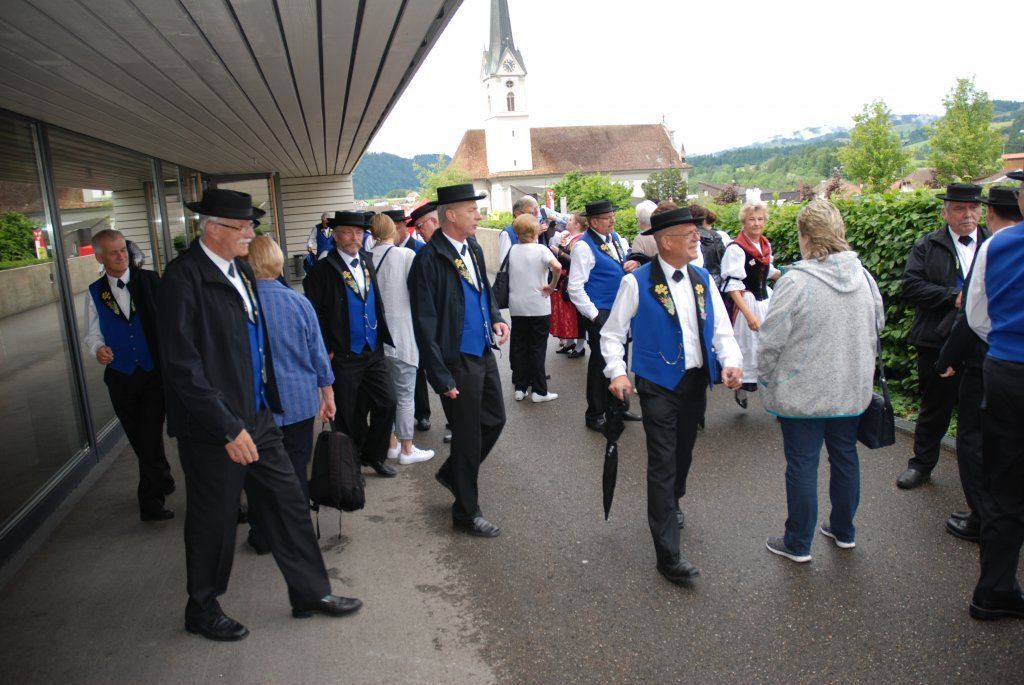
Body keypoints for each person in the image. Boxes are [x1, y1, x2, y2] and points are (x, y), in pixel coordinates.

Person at [158, 189, 359, 642]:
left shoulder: (242, 271)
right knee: (214, 519)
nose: (251, 233)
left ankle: (310, 592)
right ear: (213, 228)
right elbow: (181, 365)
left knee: (289, 501)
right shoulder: (183, 278)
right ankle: (202, 608)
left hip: (258, 414)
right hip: (214, 427)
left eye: (252, 225)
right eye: (243, 226)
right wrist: (227, 427)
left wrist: (265, 401)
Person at [602, 207, 743, 585]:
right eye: (688, 233)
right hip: (657, 384)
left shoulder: (703, 279)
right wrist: (617, 371)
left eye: (696, 232)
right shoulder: (636, 283)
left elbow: (721, 329)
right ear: (665, 242)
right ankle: (668, 556)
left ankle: (673, 498)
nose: (697, 238)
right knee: (662, 462)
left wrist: (731, 361)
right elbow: (612, 334)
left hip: (695, 382)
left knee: (683, 453)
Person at [757, 200, 884, 563]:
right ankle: (843, 530)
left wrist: (766, 380)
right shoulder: (864, 277)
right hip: (850, 390)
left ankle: (798, 543)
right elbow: (878, 325)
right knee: (845, 458)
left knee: (802, 465)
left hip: (802, 394)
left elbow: (770, 341)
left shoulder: (795, 282)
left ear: (805, 236)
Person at [408, 183, 509, 537]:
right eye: (472, 210)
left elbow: (483, 289)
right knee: (466, 436)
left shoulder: (474, 247)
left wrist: (495, 316)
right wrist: (440, 376)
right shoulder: (428, 260)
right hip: (455, 359)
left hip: (481, 349)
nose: (478, 216)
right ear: (450, 215)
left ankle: (453, 473)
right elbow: (424, 324)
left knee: (494, 419)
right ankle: (466, 511)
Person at [936, 185, 1021, 542]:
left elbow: (975, 317)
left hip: (998, 363)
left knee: (978, 439)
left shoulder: (994, 247)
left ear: (989, 213)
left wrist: (949, 357)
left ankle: (983, 517)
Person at [243, 235, 336, 553]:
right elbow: (318, 356)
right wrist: (328, 395)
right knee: (295, 467)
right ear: (278, 262)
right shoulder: (299, 303)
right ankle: (297, 532)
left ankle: (263, 534)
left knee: (258, 472)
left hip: (256, 407)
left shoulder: (238, 307)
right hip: (298, 402)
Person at [897, 183, 989, 490]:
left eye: (974, 208)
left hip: (980, 341)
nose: (968, 215)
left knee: (980, 412)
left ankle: (978, 478)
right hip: (937, 339)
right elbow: (911, 286)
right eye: (960, 209)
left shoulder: (993, 243)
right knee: (935, 407)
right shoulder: (927, 245)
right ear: (944, 212)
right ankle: (921, 465)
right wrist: (953, 296)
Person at [964, 168, 1024, 621]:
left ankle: (994, 589)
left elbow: (977, 316)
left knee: (1005, 483)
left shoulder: (996, 245)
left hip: (1006, 369)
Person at [83, 229, 174, 522]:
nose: (121, 256)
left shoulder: (149, 280)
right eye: (113, 252)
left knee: (149, 436)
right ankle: (162, 476)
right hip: (121, 378)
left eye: (123, 250)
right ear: (100, 257)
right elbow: (92, 333)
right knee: (139, 439)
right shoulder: (95, 292)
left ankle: (150, 502)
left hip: (152, 375)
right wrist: (98, 349)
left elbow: (169, 321)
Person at [305, 210, 399, 478]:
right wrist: (325, 348)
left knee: (387, 402)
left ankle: (373, 455)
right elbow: (315, 314)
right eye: (347, 232)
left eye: (358, 232)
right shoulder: (322, 270)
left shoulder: (367, 260)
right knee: (347, 413)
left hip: (372, 349)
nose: (354, 237)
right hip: (343, 353)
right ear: (335, 236)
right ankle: (350, 465)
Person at [367, 213, 434, 465]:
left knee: (385, 396)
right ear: (393, 230)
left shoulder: (365, 258)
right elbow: (419, 294)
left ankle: (391, 444)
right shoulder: (406, 255)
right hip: (403, 335)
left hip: (376, 338)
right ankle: (407, 449)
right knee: (405, 394)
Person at [568, 199, 638, 431]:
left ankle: (617, 408)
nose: (613, 220)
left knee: (620, 358)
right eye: (608, 217)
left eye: (612, 216)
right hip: (602, 312)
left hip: (619, 309)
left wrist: (631, 264)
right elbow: (575, 287)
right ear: (594, 222)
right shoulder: (583, 247)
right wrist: (595, 315)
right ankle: (595, 414)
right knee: (600, 364)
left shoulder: (614, 238)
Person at [720, 201, 781, 409]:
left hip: (766, 301)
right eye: (752, 219)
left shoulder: (764, 244)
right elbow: (732, 286)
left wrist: (787, 274)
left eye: (760, 219)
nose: (756, 223)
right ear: (744, 222)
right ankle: (741, 387)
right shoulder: (736, 249)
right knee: (747, 347)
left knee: (769, 347)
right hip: (747, 302)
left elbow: (767, 270)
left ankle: (775, 401)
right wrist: (748, 315)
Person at [508, 213, 562, 402]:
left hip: (517, 305)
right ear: (535, 230)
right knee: (537, 348)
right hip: (538, 305)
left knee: (521, 346)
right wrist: (552, 286)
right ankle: (539, 391)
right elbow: (557, 266)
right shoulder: (541, 250)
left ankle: (520, 387)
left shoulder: (513, 250)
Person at [406, 201, 439, 433]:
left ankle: (427, 415)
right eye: (416, 228)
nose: (418, 232)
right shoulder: (422, 253)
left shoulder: (420, 250)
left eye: (420, 226)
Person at [550, 212, 586, 357]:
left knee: (577, 314)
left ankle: (580, 346)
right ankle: (570, 342)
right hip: (563, 279)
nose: (567, 221)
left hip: (572, 279)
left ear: (577, 225)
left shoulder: (580, 240)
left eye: (570, 220)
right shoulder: (567, 237)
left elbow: (574, 261)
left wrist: (559, 252)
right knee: (567, 314)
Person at [498, 195, 540, 266]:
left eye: (535, 214)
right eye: (530, 213)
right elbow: (504, 262)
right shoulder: (507, 233)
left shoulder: (533, 231)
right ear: (517, 214)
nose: (533, 217)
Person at [690, 205, 726, 288]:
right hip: (717, 276)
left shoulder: (690, 236)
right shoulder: (716, 235)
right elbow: (724, 257)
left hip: (699, 276)